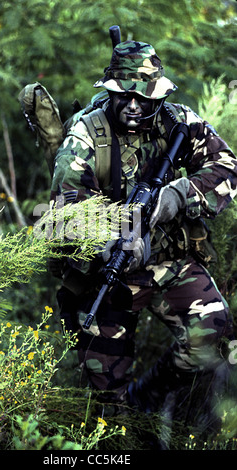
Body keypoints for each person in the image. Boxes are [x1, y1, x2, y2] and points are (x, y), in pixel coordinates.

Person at [49, 41, 237, 427]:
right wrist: (110, 244)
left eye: (143, 96)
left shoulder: (177, 121)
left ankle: (152, 395)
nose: (134, 105)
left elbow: (227, 166)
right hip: (108, 273)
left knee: (218, 340)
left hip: (168, 260)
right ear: (110, 92)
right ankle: (126, 422)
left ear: (159, 94)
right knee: (109, 408)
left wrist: (180, 194)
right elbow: (66, 214)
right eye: (124, 96)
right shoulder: (84, 137)